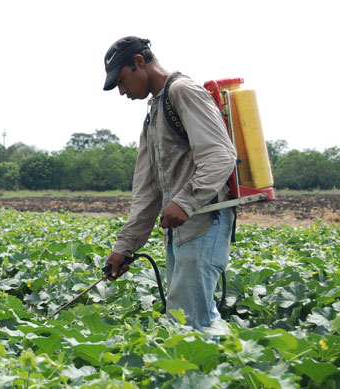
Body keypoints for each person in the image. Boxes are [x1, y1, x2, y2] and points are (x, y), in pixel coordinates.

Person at [102, 36, 237, 332]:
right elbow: (147, 192)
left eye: (122, 81)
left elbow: (221, 156)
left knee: (189, 321)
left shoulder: (183, 92)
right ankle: (226, 371)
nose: (122, 91)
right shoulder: (153, 113)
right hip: (181, 229)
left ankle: (206, 375)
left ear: (139, 62)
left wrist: (184, 202)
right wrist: (124, 248)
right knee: (191, 316)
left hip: (205, 220)